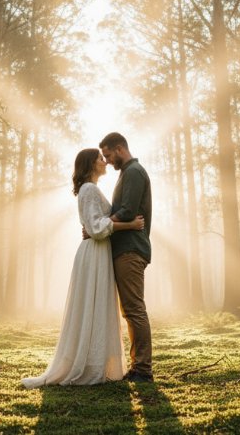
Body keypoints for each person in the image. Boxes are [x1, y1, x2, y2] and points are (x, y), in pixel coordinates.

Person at [21, 148, 144, 388]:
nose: (105, 161)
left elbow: (96, 224)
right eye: (100, 158)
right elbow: (97, 228)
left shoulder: (92, 189)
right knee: (92, 303)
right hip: (94, 252)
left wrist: (104, 225)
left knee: (97, 305)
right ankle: (89, 366)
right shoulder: (89, 190)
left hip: (99, 252)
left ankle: (96, 363)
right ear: (90, 165)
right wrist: (130, 224)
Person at [99, 132, 153, 383]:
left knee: (134, 308)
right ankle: (138, 366)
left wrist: (98, 226)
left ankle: (143, 369)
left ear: (120, 148)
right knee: (130, 310)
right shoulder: (127, 173)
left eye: (109, 155)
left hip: (131, 249)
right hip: (126, 249)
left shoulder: (133, 172)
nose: (107, 161)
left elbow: (128, 211)